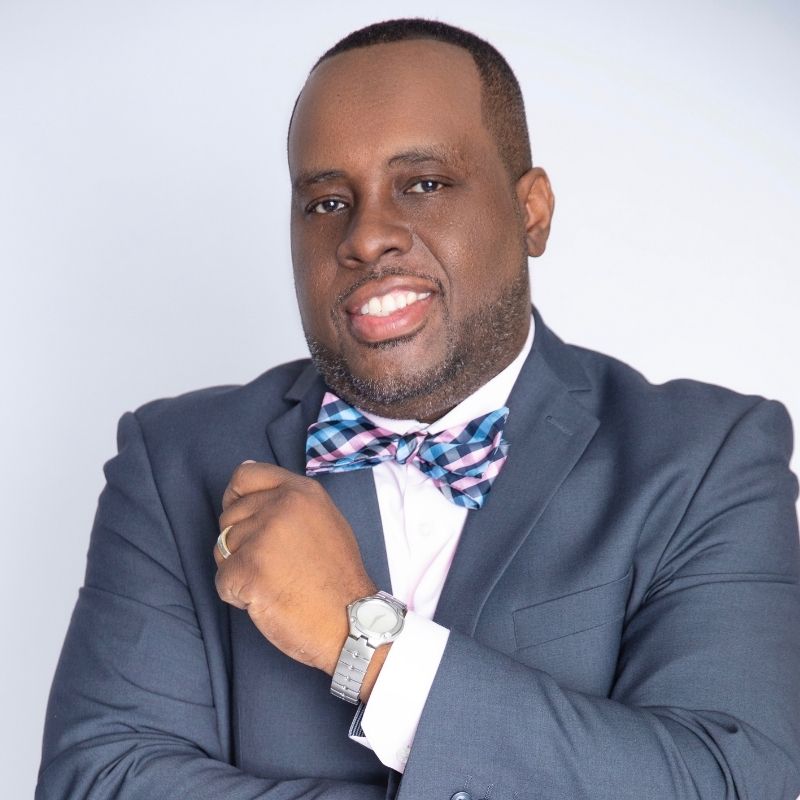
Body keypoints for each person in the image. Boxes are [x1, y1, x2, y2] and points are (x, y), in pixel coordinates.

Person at [36, 18, 800, 800]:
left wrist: (362, 641)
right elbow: (94, 781)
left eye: (424, 184)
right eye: (327, 201)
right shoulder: (174, 462)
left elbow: (737, 783)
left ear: (531, 211)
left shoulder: (706, 459)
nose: (367, 237)